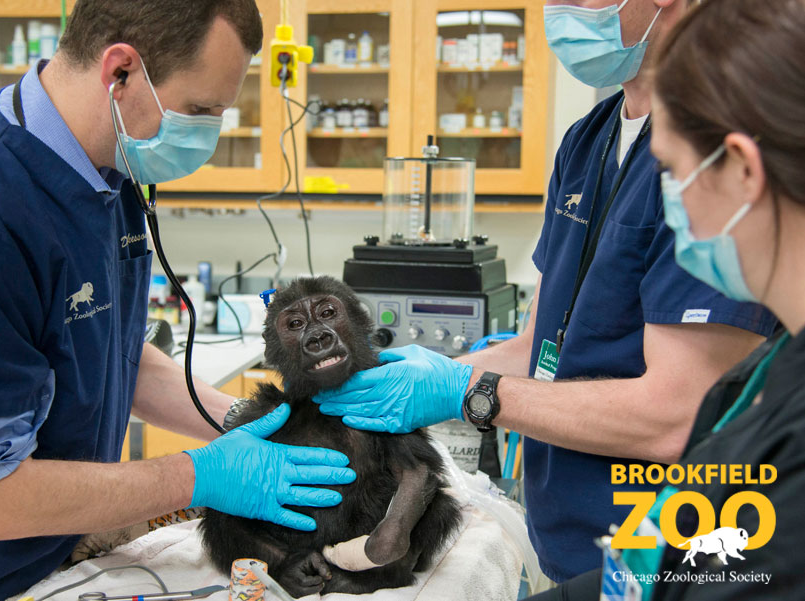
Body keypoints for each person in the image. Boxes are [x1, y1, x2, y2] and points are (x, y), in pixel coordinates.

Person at [0, 2, 356, 600]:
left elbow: (113, 355)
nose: (207, 132)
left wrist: (249, 423)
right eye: (200, 110)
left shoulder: (106, 168)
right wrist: (197, 476)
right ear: (121, 71)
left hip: (59, 554)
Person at [314, 0, 777, 583]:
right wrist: (424, 375)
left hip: (674, 551)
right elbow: (541, 347)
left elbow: (679, 413)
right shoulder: (588, 141)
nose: (557, 12)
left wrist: (470, 392)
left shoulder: (714, 153)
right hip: (568, 537)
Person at [529, 0, 805, 598]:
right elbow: (669, 564)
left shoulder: (789, 436)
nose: (667, 204)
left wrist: (476, 397)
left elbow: (735, 569)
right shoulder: (767, 379)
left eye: (671, 171)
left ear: (742, 170)